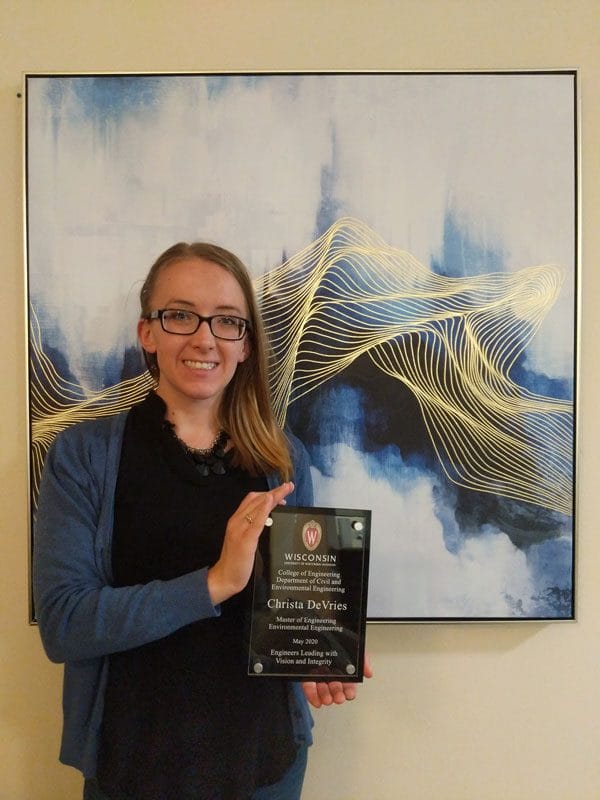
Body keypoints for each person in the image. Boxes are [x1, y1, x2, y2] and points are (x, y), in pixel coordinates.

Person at [33, 242, 371, 800]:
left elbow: (295, 606)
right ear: (148, 332)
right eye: (181, 315)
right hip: (132, 764)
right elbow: (65, 624)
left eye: (227, 321)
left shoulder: (283, 460)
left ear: (245, 344)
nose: (205, 337)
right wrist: (216, 581)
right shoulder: (84, 455)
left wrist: (316, 650)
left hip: (264, 765)